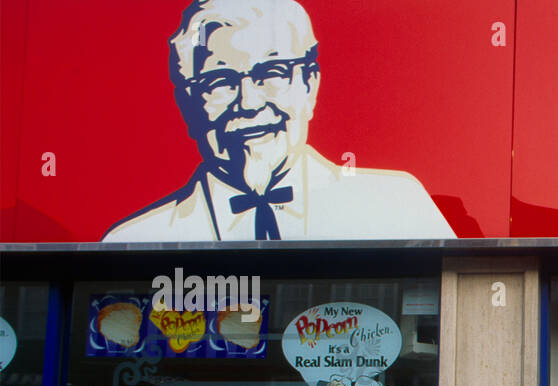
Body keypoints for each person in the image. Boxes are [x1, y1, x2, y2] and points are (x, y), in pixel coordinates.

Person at [102, 0, 454, 241]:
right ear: (188, 104)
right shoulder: (136, 238)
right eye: (220, 82)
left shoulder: (399, 205)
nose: (249, 103)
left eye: (271, 72)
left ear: (309, 86)